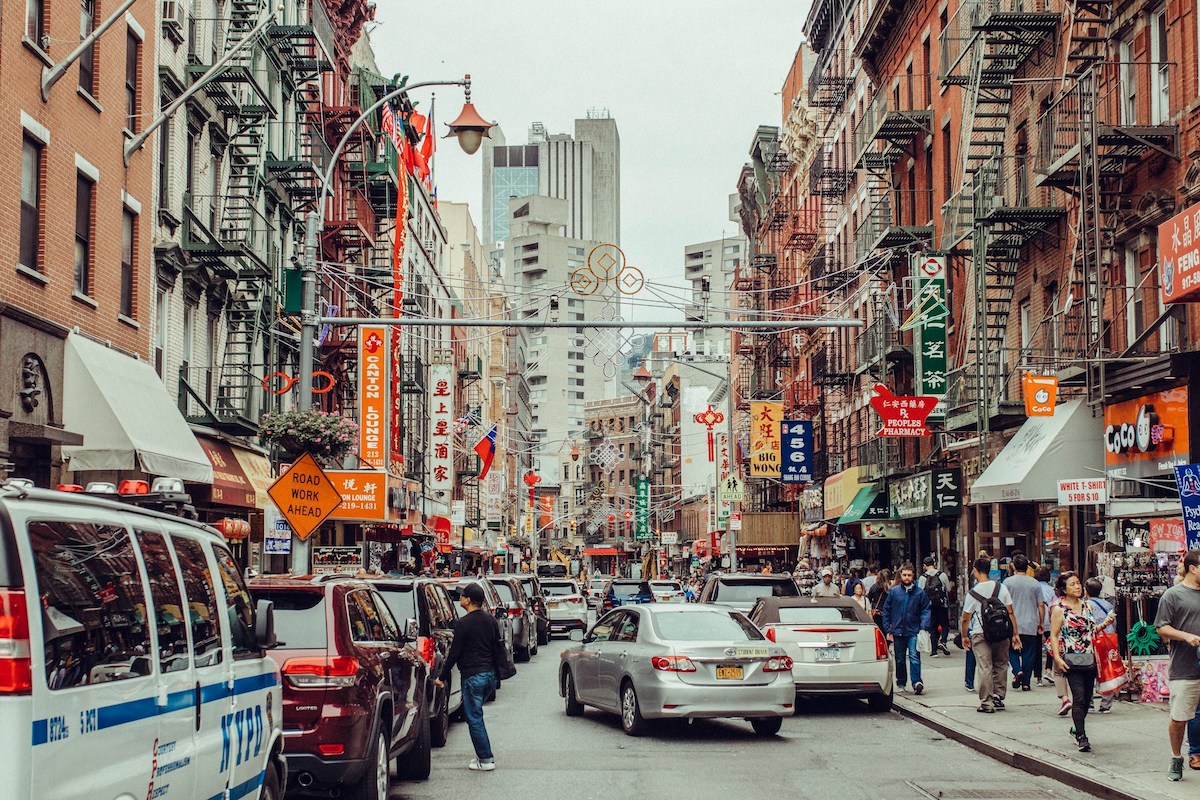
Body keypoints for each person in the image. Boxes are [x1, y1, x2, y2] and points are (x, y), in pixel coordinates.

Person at [435, 582, 500, 771]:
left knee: (474, 718)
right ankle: (482, 755)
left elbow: (454, 654)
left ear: (468, 600)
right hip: (489, 676)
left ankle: (486, 759)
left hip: (473, 676)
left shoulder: (463, 624)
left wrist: (442, 677)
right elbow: (497, 648)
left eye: (462, 596)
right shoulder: (490, 620)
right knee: (476, 714)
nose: (460, 598)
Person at [1050, 571, 1112, 753]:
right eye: (1072, 584)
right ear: (1063, 589)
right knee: (1079, 697)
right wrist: (1057, 657)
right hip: (1071, 659)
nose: (1077, 587)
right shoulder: (1059, 609)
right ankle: (1082, 737)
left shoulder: (1087, 606)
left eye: (1078, 583)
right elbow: (1053, 635)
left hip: (1090, 658)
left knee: (1086, 700)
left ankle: (1076, 728)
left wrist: (1106, 623)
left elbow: (1091, 632)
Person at [1154, 549, 1200, 781]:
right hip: (1184, 667)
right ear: (1193, 568)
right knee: (1180, 717)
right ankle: (1176, 757)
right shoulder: (1173, 595)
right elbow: (1161, 627)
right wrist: (1186, 636)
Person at [961, 556, 1021, 713]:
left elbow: (965, 618)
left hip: (980, 634)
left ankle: (986, 703)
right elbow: (1010, 611)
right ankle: (998, 697)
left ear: (975, 571)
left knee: (984, 667)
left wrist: (964, 636)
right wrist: (1015, 633)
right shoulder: (1002, 588)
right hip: (1002, 632)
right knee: (1001, 664)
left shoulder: (973, 593)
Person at [882, 564, 931, 695]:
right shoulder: (894, 592)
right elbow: (886, 610)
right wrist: (888, 628)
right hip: (898, 630)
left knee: (914, 656)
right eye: (904, 575)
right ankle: (901, 682)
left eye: (909, 575)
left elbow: (926, 610)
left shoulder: (920, 593)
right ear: (901, 575)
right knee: (899, 658)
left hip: (913, 630)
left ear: (913, 575)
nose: (907, 577)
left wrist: (923, 626)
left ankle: (916, 682)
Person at [1005, 554, 1045, 692]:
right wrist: (1041, 622)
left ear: (1014, 567)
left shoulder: (1007, 582)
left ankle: (1017, 670)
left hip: (1012, 623)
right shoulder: (1034, 583)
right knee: (1029, 653)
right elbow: (1041, 605)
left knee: (1011, 650)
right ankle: (1026, 682)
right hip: (1030, 623)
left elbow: (1004, 604)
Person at [1085, 576, 1117, 714]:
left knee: (1089, 671)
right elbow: (1113, 624)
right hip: (1107, 640)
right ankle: (1106, 704)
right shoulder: (1108, 605)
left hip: (1092, 641)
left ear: (1086, 591)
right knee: (1107, 671)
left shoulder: (1085, 605)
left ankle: (1089, 702)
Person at [918, 557, 952, 656]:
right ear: (934, 564)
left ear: (924, 565)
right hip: (942, 604)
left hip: (929, 606)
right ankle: (943, 641)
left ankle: (934, 651)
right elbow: (948, 589)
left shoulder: (923, 577)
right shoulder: (942, 575)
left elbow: (920, 593)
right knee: (945, 624)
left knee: (933, 627)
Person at [1036, 566, 1056, 688]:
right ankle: (1048, 670)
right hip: (1050, 621)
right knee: (1051, 646)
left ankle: (1038, 676)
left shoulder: (1034, 587)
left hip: (1036, 620)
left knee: (1037, 648)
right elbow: (1055, 605)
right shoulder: (1051, 590)